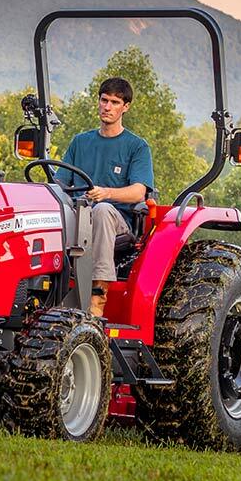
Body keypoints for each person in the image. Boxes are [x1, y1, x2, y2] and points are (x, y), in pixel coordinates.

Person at [58, 77, 154, 317]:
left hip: (117, 221)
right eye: (104, 100)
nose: (107, 106)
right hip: (78, 215)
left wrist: (106, 193)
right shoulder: (80, 142)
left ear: (126, 107)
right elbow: (60, 183)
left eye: (114, 102)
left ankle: (97, 300)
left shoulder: (136, 146)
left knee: (101, 210)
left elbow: (138, 192)